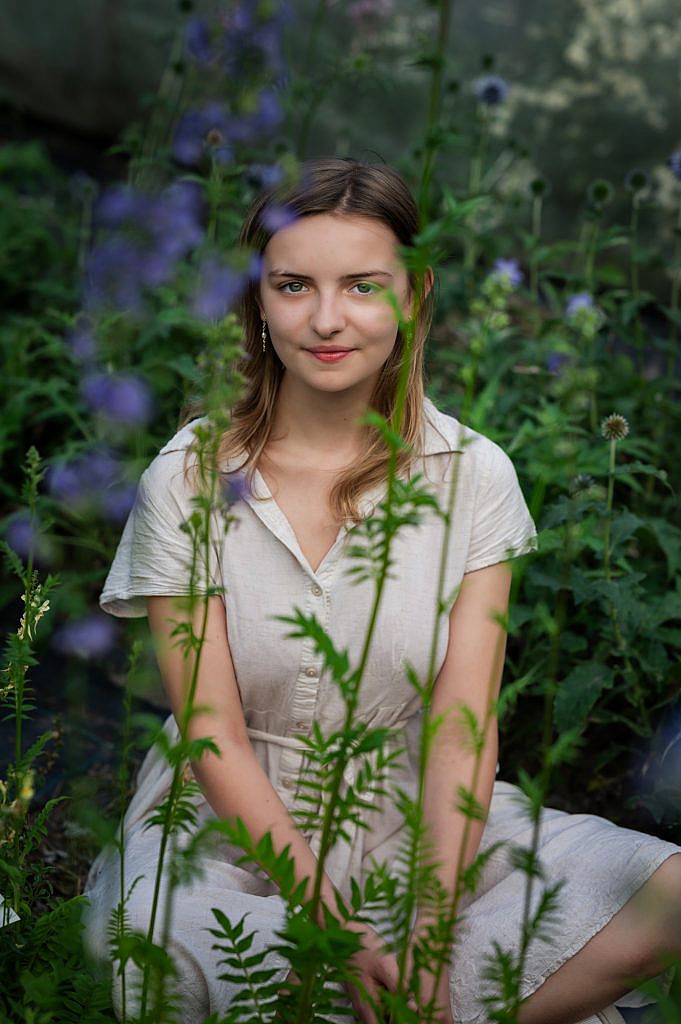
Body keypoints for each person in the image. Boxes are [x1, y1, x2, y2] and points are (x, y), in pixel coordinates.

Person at [84, 159, 681, 1024]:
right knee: (149, 941)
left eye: (362, 285)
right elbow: (211, 734)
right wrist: (331, 927)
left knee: (666, 892)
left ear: (412, 294)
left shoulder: (474, 476)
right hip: (229, 827)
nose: (327, 319)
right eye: (293, 285)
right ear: (257, 299)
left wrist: (428, 933)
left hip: (419, 815)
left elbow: (460, 732)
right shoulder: (188, 477)